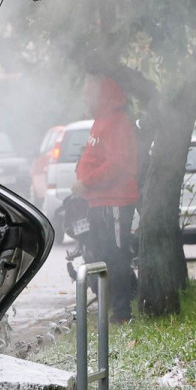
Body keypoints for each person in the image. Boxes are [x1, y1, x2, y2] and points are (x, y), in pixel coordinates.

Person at [70, 73, 139, 323]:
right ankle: (111, 309)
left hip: (116, 202)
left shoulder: (117, 123)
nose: (84, 97)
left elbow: (117, 164)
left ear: (102, 94)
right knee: (102, 255)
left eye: (89, 92)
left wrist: (86, 181)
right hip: (99, 202)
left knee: (117, 256)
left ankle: (122, 313)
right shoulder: (101, 121)